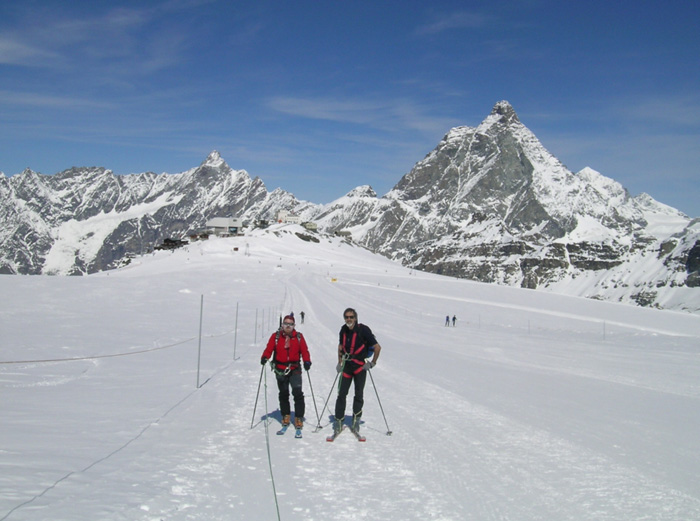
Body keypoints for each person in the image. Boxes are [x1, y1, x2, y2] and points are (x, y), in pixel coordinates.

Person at [333, 308, 381, 434]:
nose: (349, 319)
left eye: (351, 317)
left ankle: (356, 420)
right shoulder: (343, 330)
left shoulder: (363, 330)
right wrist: (339, 362)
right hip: (347, 366)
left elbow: (377, 347)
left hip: (360, 367)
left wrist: (372, 363)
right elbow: (340, 347)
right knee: (341, 394)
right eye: (347, 317)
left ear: (355, 318)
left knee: (358, 394)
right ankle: (339, 420)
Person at [260, 315, 311, 429]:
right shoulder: (276, 337)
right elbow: (269, 348)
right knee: (283, 393)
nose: (288, 326)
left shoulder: (298, 337)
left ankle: (298, 417)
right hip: (280, 369)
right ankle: (286, 415)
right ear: (282, 325)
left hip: (295, 369)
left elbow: (304, 350)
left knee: (297, 393)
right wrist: (265, 357)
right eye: (286, 324)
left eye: (290, 324)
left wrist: (307, 361)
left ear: (294, 326)